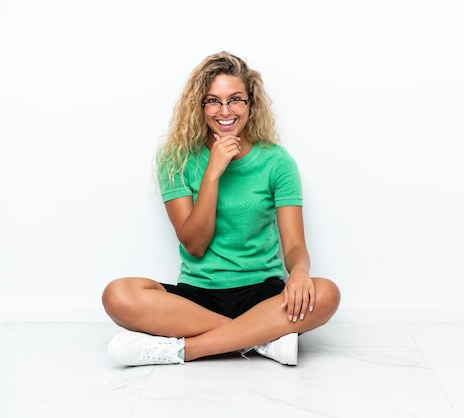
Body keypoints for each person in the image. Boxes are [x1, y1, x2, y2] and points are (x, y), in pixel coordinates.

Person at [102, 51, 341, 367]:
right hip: (198, 298)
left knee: (326, 293)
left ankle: (184, 350)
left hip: (263, 296)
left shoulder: (277, 162)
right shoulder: (177, 159)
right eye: (213, 100)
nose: (225, 111)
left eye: (236, 100)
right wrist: (213, 172)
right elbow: (194, 245)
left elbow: (295, 246)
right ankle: (261, 340)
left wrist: (299, 273)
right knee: (117, 294)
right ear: (198, 107)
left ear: (250, 104)